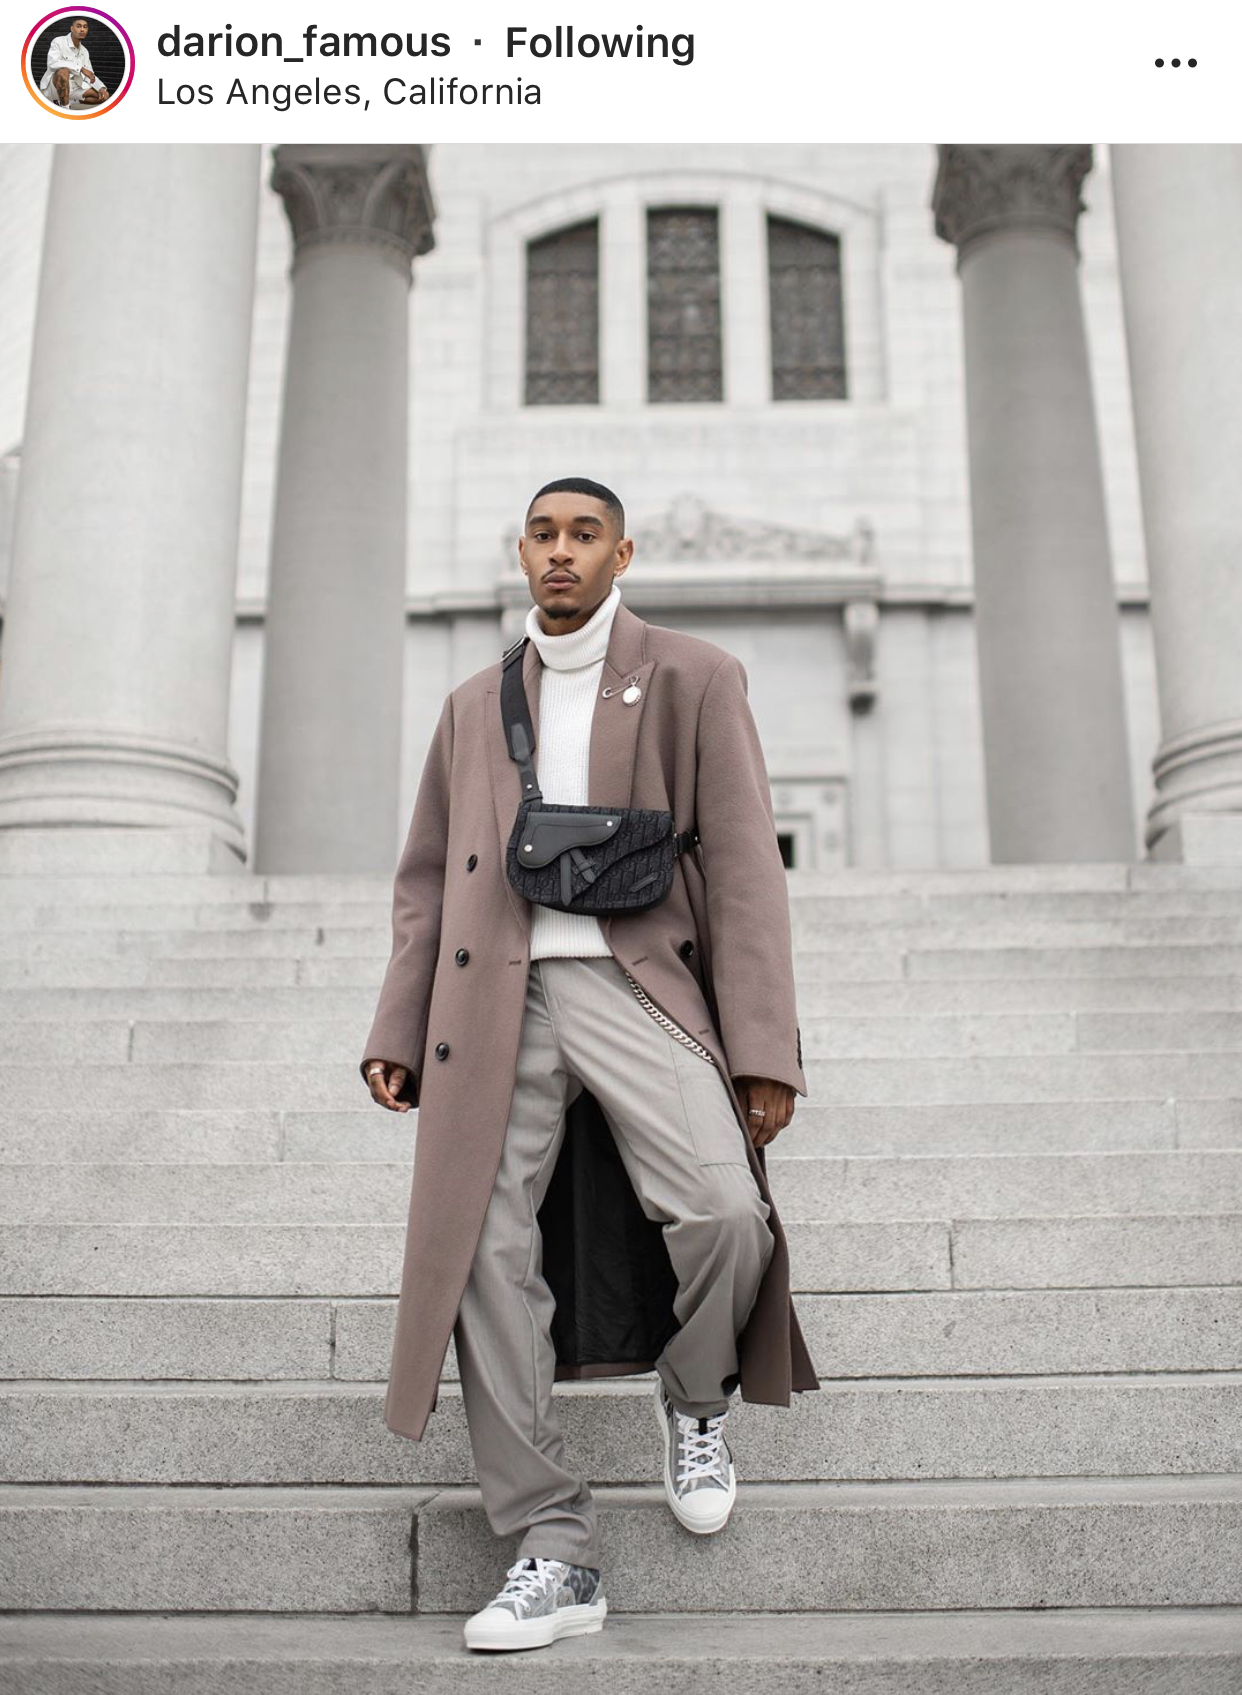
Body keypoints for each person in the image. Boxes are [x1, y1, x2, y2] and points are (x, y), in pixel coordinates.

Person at [361, 476, 816, 1652]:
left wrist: (763, 1046)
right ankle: (552, 1547)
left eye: (584, 536)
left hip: (632, 978)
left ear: (623, 554)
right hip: (491, 992)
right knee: (481, 1255)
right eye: (543, 535)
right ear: (522, 552)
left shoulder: (694, 677)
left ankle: (696, 1398)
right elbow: (425, 879)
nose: (560, 554)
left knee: (723, 1210)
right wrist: (398, 1027)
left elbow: (748, 870)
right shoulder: (472, 705)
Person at [39, 18, 110, 108]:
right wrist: (80, 68)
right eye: (79, 26)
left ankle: (70, 100)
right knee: (63, 71)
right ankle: (65, 108)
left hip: (75, 86)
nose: (82, 29)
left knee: (104, 96)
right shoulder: (58, 41)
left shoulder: (85, 51)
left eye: (85, 27)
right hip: (56, 86)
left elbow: (90, 75)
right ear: (72, 29)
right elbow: (52, 63)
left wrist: (100, 88)